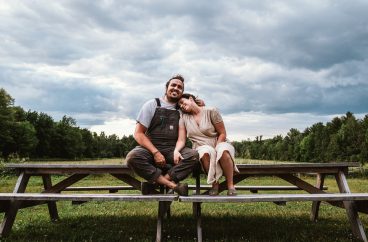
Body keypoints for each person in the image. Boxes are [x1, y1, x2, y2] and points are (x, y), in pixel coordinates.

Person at [126, 75, 199, 196]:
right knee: (132, 157)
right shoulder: (152, 104)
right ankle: (173, 186)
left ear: (182, 92)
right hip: (151, 147)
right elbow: (138, 134)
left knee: (193, 156)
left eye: (180, 87)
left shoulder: (182, 109)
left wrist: (200, 103)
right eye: (173, 85)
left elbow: (198, 111)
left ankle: (154, 184)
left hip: (172, 149)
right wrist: (155, 152)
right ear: (166, 88)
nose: (176, 88)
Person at [174, 93, 239, 196]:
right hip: (200, 146)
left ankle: (230, 185)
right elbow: (181, 139)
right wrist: (176, 151)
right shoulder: (183, 117)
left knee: (223, 150)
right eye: (179, 106)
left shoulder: (211, 111)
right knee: (206, 152)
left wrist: (217, 147)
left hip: (218, 141)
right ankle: (215, 184)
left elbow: (222, 133)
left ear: (191, 99)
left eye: (182, 102)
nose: (181, 106)